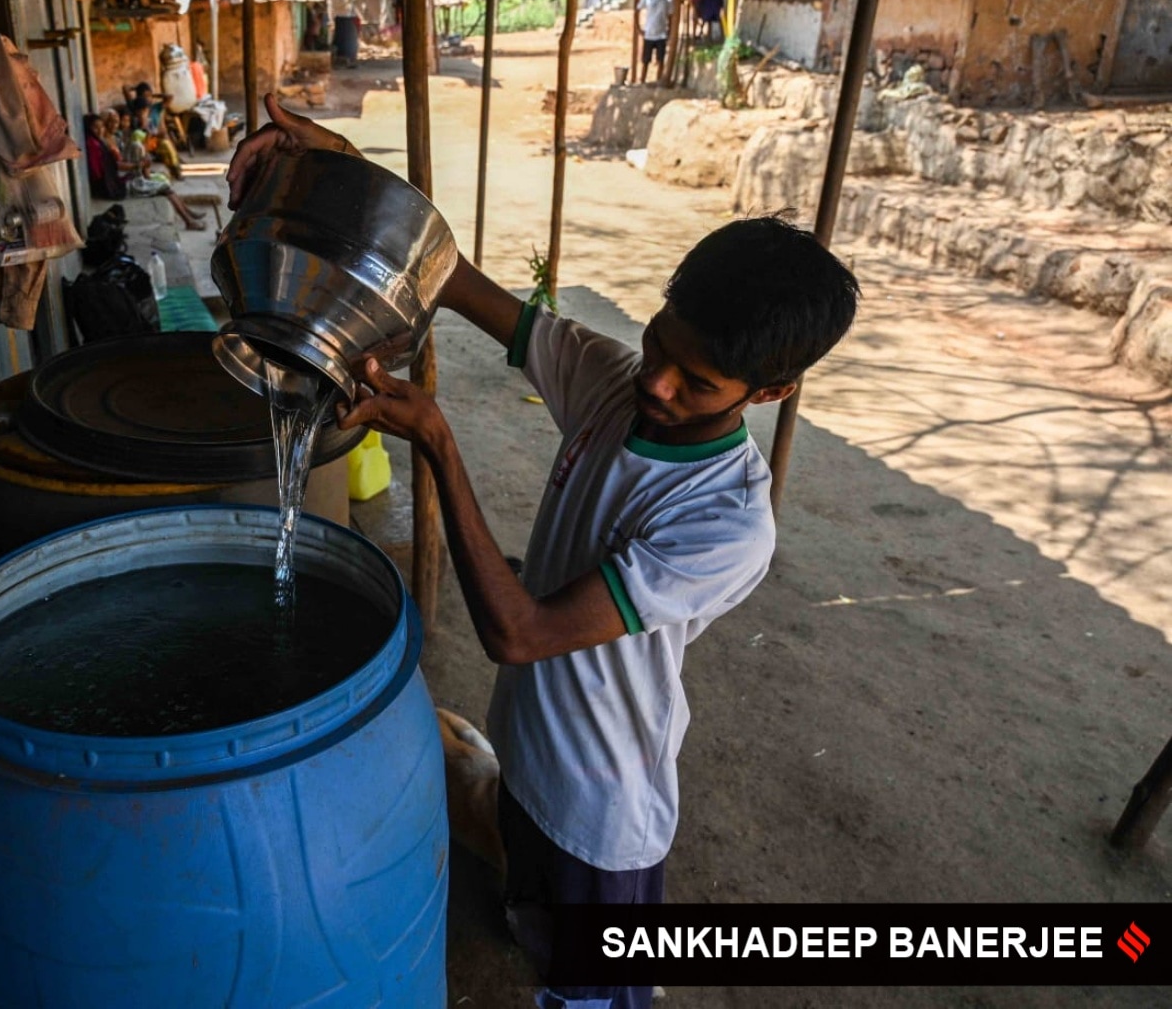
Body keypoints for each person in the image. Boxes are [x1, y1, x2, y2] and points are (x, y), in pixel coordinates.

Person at [228, 94, 860, 1009]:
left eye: (697, 381)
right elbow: (453, 278)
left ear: (769, 393)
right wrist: (341, 169)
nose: (658, 381)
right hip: (527, 755)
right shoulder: (613, 381)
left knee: (590, 990)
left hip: (599, 810)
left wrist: (437, 441)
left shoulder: (725, 519)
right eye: (660, 340)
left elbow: (519, 633)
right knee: (527, 903)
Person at [93, 109, 206, 230]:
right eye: (110, 122)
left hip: (128, 176)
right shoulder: (104, 144)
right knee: (165, 188)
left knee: (166, 187)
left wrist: (140, 163)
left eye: (116, 122)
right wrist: (138, 165)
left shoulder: (116, 137)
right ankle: (188, 220)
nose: (115, 125)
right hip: (122, 183)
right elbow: (115, 166)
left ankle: (188, 214)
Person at [638, 0, 672, 86]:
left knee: (660, 60)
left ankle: (658, 81)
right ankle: (642, 81)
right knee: (646, 60)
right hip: (649, 34)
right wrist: (639, 28)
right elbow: (637, 10)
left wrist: (669, 30)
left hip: (661, 34)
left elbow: (670, 16)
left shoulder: (667, 0)